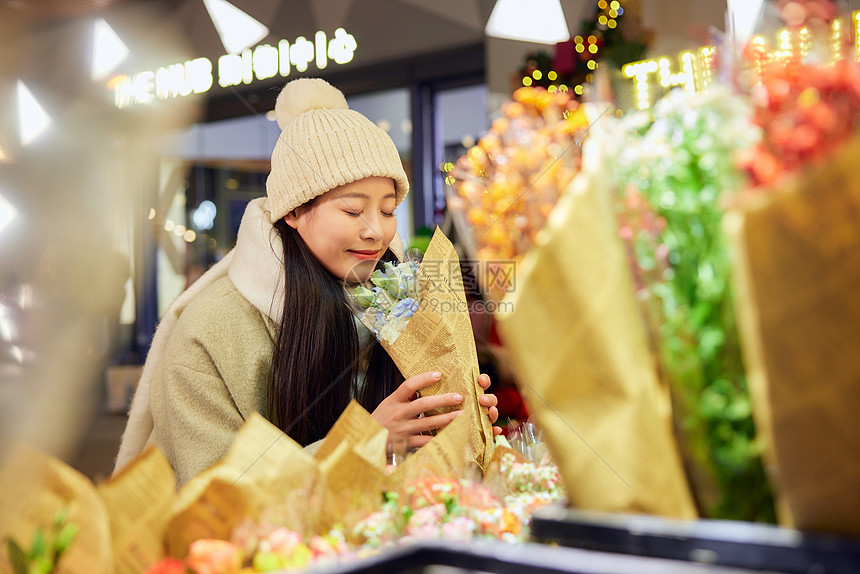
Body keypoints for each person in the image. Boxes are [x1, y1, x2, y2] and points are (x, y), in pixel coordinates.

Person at [114, 78, 501, 486]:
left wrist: (450, 420)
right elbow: (215, 496)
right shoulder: (210, 329)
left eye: (388, 211)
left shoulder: (396, 304)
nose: (376, 232)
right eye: (353, 211)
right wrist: (365, 441)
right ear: (295, 211)